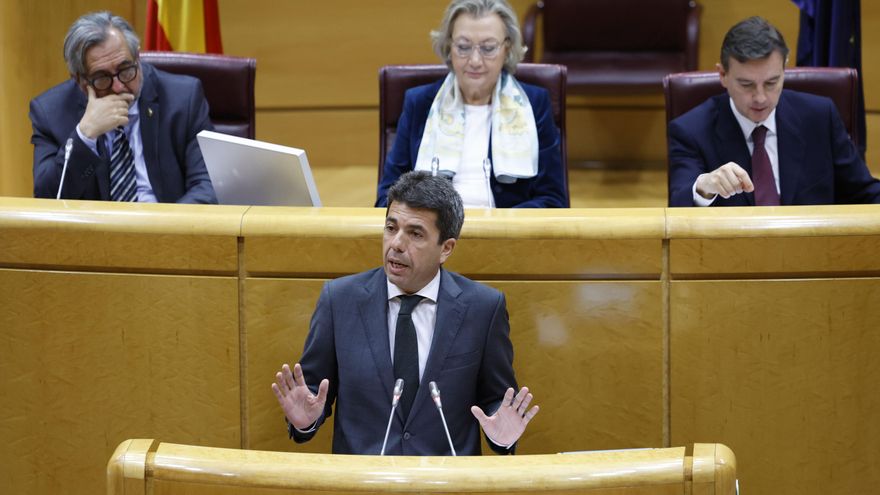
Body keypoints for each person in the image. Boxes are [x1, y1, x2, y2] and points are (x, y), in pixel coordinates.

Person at [273, 171, 538, 455]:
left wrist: (502, 435)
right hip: (364, 484)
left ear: (446, 248)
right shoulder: (339, 300)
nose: (396, 244)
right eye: (391, 227)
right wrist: (305, 421)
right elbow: (314, 393)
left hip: (445, 484)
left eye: (415, 233)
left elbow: (496, 402)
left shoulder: (483, 308)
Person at [667, 16, 880, 207]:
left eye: (771, 82)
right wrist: (703, 187)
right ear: (722, 75)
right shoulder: (690, 130)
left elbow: (864, 193)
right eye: (746, 84)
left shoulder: (820, 117)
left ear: (784, 70)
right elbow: (679, 207)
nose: (760, 97)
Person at [376, 0, 566, 208]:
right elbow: (387, 198)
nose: (475, 60)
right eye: (464, 47)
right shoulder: (420, 104)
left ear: (507, 49)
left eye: (488, 48)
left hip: (504, 235)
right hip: (432, 236)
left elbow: (553, 200)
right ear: (449, 47)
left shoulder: (534, 104)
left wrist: (501, 228)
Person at [30, 11, 217, 203]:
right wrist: (84, 136)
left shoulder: (183, 98)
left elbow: (208, 185)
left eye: (126, 70)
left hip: (167, 225)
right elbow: (48, 198)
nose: (119, 87)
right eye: (102, 78)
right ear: (79, 81)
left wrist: (164, 231)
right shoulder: (50, 112)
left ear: (137, 56)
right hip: (95, 230)